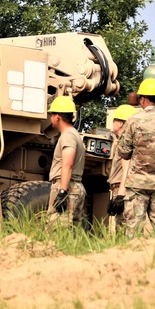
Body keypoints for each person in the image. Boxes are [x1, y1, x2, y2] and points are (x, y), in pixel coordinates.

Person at [117, 78, 155, 238]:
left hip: (137, 185)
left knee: (132, 233)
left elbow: (124, 151)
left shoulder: (134, 120)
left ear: (142, 99)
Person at [46, 96, 86, 226]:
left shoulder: (68, 136)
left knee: (56, 230)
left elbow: (67, 164)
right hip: (75, 187)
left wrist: (62, 191)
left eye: (52, 114)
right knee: (71, 234)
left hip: (67, 187)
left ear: (57, 117)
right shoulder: (74, 134)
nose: (51, 117)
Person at [107, 104, 137, 220]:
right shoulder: (123, 142)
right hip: (120, 188)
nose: (113, 123)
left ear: (120, 123)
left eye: (114, 120)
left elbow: (127, 169)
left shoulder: (125, 144)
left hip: (122, 188)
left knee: (123, 226)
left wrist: (120, 195)